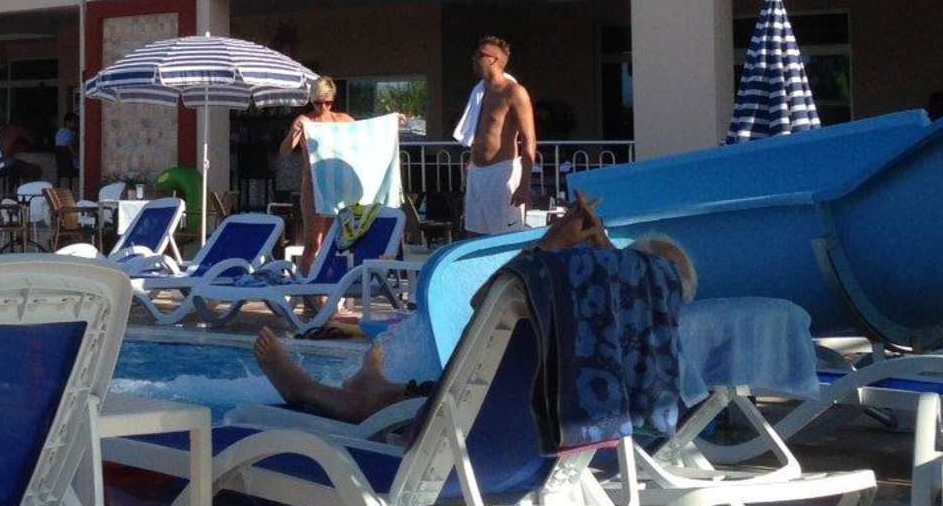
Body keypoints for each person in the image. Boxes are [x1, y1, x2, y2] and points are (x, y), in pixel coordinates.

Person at [252, 195, 693, 425]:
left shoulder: (588, 323)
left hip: (498, 423)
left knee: (412, 400)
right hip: (549, 424)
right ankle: (369, 386)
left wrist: (551, 243)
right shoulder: (652, 341)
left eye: (623, 263)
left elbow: (489, 301)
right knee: (416, 388)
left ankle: (311, 391)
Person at [455, 36, 537, 237]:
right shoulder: (479, 92)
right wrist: (471, 162)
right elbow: (479, 131)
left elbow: (529, 140)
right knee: (474, 236)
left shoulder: (514, 92)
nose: (474, 58)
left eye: (479, 54)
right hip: (477, 173)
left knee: (504, 238)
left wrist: (524, 184)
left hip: (501, 173)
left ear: (493, 59)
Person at [278, 76, 353, 261]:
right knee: (312, 243)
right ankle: (305, 278)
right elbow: (285, 150)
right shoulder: (306, 120)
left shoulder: (342, 120)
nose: (323, 107)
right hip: (313, 186)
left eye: (328, 103)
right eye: (318, 103)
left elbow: (368, 132)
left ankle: (326, 278)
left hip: (337, 186)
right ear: (312, 100)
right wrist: (294, 131)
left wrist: (393, 122)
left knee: (332, 241)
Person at [55, 111, 78, 185]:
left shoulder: (59, 131)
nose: (76, 125)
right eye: (74, 122)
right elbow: (70, 149)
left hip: (61, 165)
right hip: (69, 165)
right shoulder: (68, 132)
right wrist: (78, 155)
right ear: (67, 122)